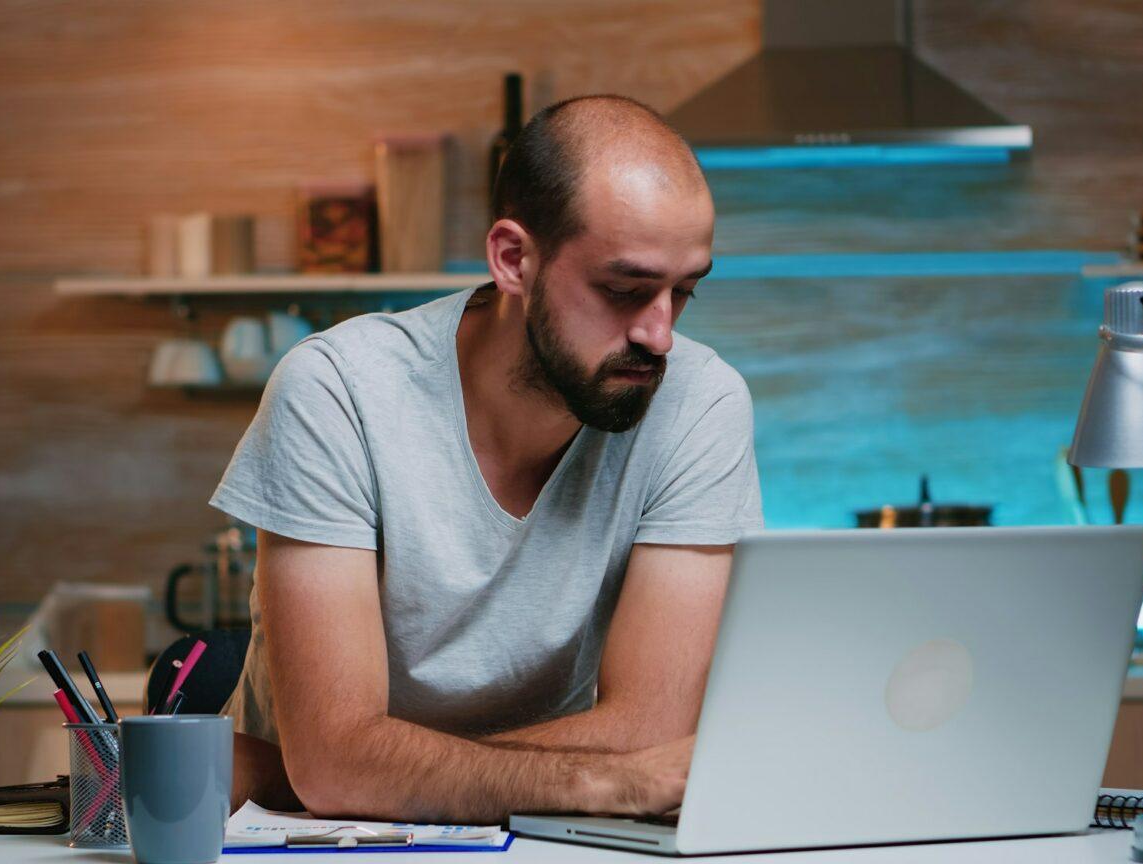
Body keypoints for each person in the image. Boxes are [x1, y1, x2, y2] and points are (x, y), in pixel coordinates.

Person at [210, 94, 762, 823]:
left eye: (684, 292)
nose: (659, 334)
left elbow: (652, 733)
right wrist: (606, 780)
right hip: (308, 839)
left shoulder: (702, 403)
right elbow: (337, 767)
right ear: (513, 260)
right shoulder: (336, 390)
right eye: (625, 290)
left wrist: (373, 769)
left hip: (529, 836)